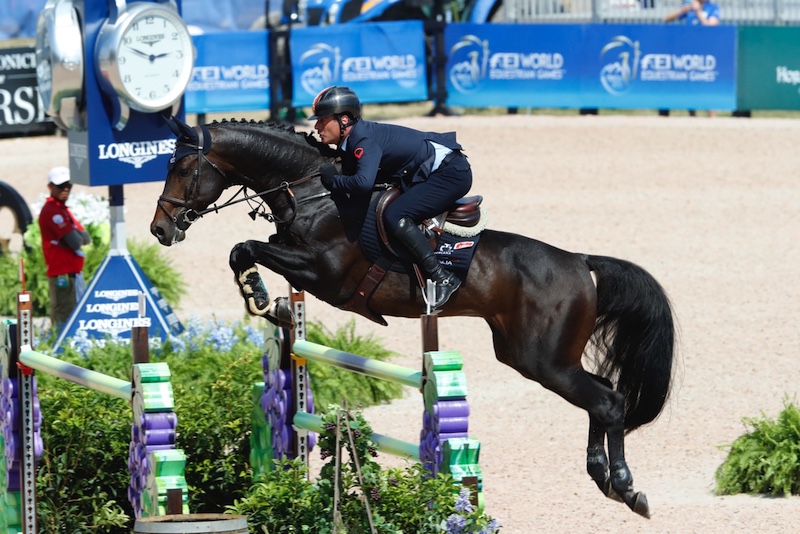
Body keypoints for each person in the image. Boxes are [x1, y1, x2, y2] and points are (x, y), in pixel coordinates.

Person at [309, 86, 472, 309]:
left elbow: (363, 184)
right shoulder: (352, 140)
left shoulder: (362, 141)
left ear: (344, 119)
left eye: (322, 120)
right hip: (435, 170)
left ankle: (441, 276)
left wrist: (334, 182)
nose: (317, 126)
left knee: (396, 214)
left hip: (451, 174)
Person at [38, 166, 91, 328]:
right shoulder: (52, 211)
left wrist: (74, 236)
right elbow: (76, 241)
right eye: (61, 186)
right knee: (65, 314)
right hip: (63, 273)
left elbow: (86, 238)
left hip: (72, 272)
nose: (66, 189)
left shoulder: (62, 210)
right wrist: (75, 236)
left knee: (73, 312)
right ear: (50, 187)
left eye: (69, 185)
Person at [663, 0, 720, 117]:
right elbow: (666, 19)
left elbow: (711, 27)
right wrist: (682, 10)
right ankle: (693, 116)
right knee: (689, 84)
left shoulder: (712, 7)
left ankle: (712, 117)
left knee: (708, 85)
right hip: (689, 50)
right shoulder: (688, 4)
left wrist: (698, 12)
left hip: (706, 51)